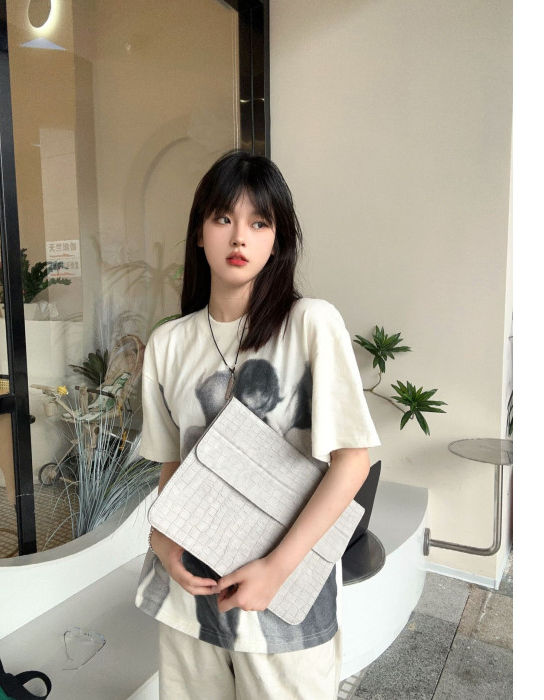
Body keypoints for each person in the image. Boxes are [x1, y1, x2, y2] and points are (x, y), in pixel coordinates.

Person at [135, 150, 380, 698]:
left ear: (278, 240)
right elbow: (172, 468)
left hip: (283, 603)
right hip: (190, 602)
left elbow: (352, 463)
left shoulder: (311, 324)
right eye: (223, 218)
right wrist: (164, 543)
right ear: (200, 234)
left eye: (259, 222)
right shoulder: (167, 344)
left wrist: (275, 569)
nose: (239, 237)